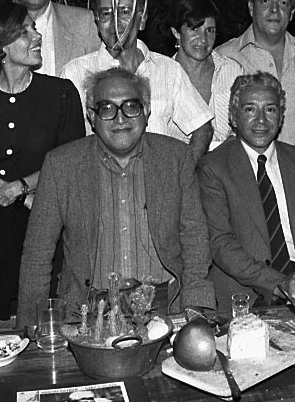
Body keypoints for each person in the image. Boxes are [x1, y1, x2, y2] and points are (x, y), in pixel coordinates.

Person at [15, 68, 216, 327]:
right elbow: (37, 254)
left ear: (146, 110)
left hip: (165, 306)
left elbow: (195, 238)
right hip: (87, 312)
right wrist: (31, 329)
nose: (120, 119)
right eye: (107, 108)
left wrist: (196, 309)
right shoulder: (61, 165)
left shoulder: (175, 158)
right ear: (91, 116)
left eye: (131, 106)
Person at [0, 2, 85, 320]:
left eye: (34, 28)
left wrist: (19, 188)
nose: (36, 36)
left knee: (42, 319)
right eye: (24, 32)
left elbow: (70, 162)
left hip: (42, 220)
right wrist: (18, 197)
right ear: (0, 46)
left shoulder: (61, 94)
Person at [197, 72, 295, 312]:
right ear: (233, 117)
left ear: (281, 117)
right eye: (250, 109)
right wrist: (278, 283)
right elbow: (220, 244)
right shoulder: (213, 167)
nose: (261, 120)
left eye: (270, 109)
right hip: (246, 292)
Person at [62, 0, 214, 162]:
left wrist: (181, 172)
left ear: (141, 20)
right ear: (97, 21)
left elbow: (202, 128)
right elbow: (62, 142)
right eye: (106, 13)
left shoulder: (168, 70)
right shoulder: (75, 73)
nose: (115, 22)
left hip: (157, 176)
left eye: (124, 12)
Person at [216, 0, 295, 149]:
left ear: (292, 13)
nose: (274, 10)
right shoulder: (224, 56)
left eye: (283, 3)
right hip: (245, 165)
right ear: (251, 7)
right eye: (265, 1)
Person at [169, 0, 243, 150]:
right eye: (194, 29)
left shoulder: (232, 71)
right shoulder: (163, 76)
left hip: (226, 160)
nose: (203, 39)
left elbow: (244, 122)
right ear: (176, 32)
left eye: (210, 30)